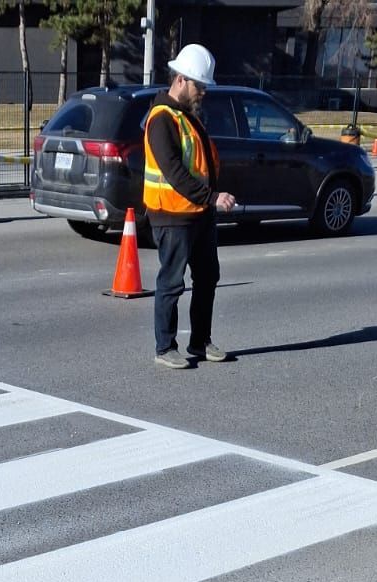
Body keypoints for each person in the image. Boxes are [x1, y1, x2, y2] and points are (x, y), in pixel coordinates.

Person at [142, 43, 237, 370]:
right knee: (171, 282)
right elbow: (175, 172)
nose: (203, 92)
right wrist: (211, 197)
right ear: (180, 80)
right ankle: (165, 346)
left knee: (208, 276)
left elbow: (200, 164)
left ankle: (200, 341)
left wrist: (210, 199)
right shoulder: (161, 120)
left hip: (198, 214)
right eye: (199, 85)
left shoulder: (187, 117)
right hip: (172, 216)